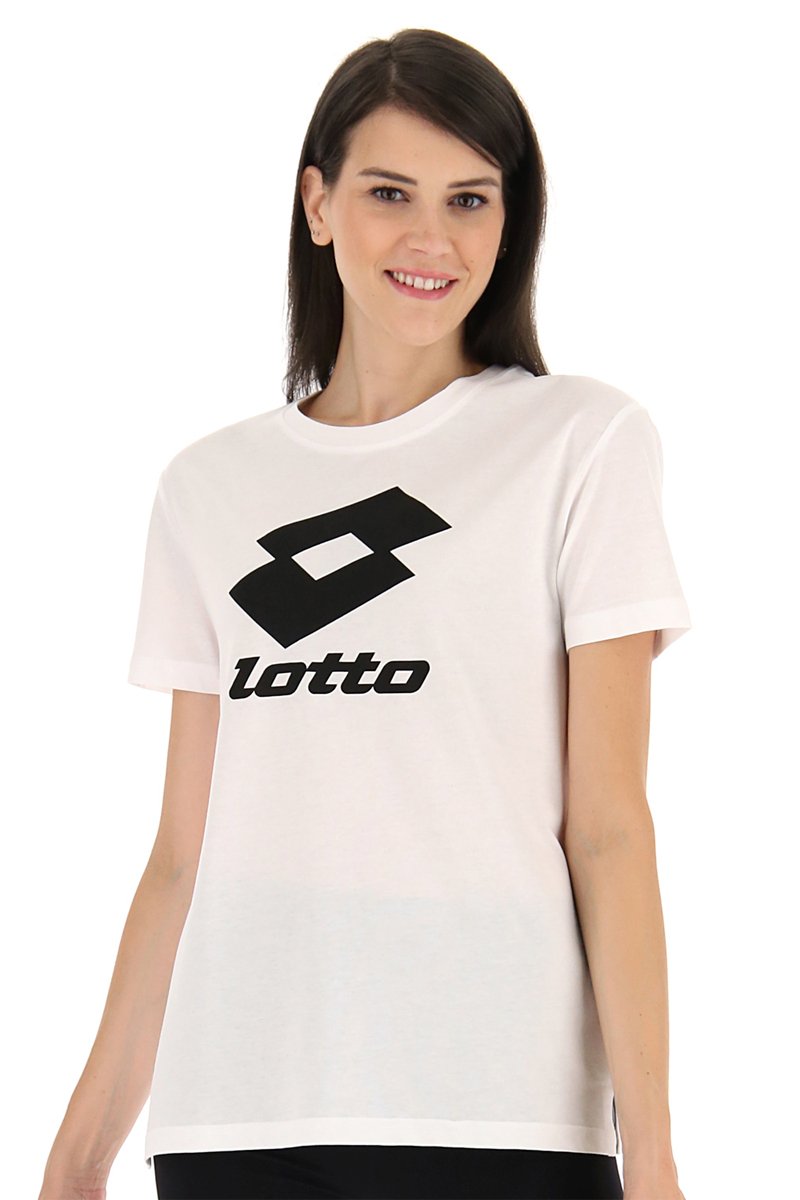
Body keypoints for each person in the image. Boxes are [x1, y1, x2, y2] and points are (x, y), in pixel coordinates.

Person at [38, 27, 690, 1200]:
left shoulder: (578, 445)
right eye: (389, 193)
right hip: (233, 1114)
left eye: (468, 199)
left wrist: (650, 1155)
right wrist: (76, 1158)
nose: (431, 239)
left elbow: (605, 827)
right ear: (317, 203)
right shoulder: (208, 488)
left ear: (510, 222)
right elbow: (182, 857)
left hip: (498, 1113)